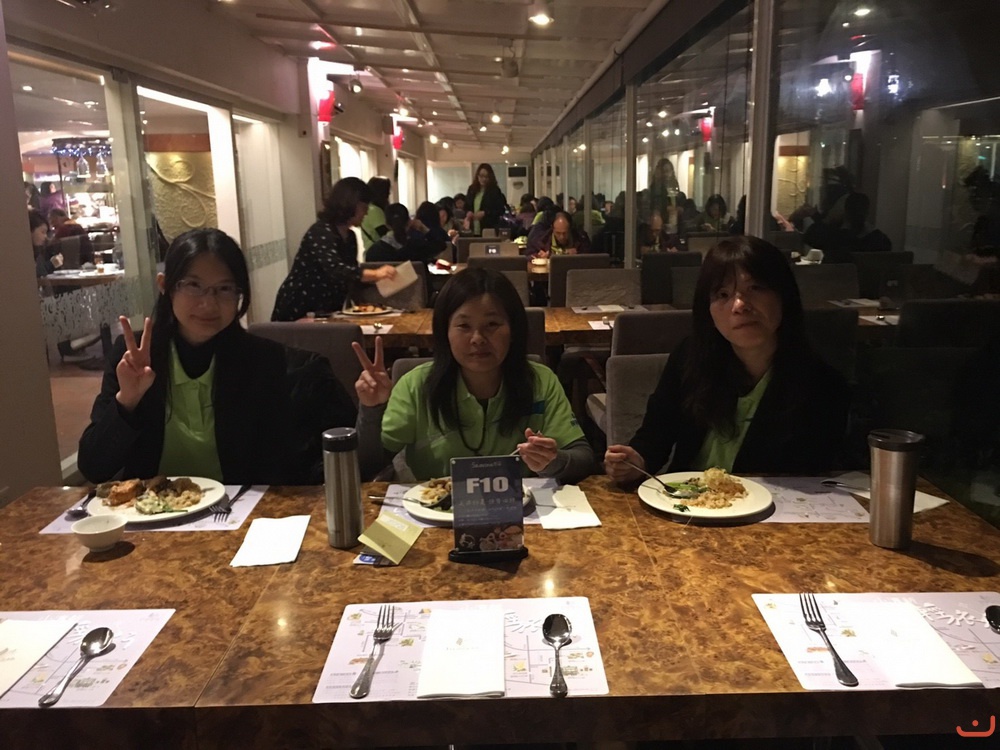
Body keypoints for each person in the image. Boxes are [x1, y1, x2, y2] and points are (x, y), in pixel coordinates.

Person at [605, 236, 850, 480]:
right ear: (707, 310)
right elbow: (655, 436)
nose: (739, 305)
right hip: (688, 498)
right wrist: (636, 461)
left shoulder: (823, 385)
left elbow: (812, 477)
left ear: (784, 295)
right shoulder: (690, 357)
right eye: (723, 294)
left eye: (755, 288)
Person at [78, 229, 298, 484]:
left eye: (224, 288)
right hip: (151, 506)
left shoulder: (263, 360)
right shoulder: (135, 356)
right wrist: (127, 401)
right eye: (193, 285)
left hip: (237, 506)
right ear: (165, 286)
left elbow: (280, 467)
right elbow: (93, 468)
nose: (209, 304)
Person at [353, 267, 594, 482]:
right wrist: (372, 409)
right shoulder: (416, 385)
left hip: (523, 512)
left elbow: (583, 457)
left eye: (492, 325)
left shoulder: (540, 380)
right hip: (434, 511)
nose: (478, 339)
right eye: (464, 326)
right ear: (445, 332)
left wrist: (553, 461)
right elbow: (368, 467)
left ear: (514, 329)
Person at [271, 177, 396, 320]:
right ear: (351, 204)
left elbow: (350, 275)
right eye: (364, 208)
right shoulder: (321, 231)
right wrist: (376, 274)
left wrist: (379, 283)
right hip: (301, 306)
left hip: (327, 309)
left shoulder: (350, 237)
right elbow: (335, 269)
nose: (366, 213)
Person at [367, 202, 447, 264]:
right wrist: (424, 229)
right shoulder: (417, 246)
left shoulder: (373, 252)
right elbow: (441, 245)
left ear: (387, 224)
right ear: (409, 222)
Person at [464, 163, 507, 235]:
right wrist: (468, 212)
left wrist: (485, 213)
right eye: (481, 176)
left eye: (486, 177)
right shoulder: (472, 189)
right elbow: (467, 206)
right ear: (477, 176)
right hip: (472, 228)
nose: (483, 179)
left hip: (488, 227)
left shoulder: (495, 191)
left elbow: (500, 210)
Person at [526, 211, 592, 257]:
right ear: (552, 229)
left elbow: (589, 259)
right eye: (558, 233)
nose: (561, 237)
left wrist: (578, 255)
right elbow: (529, 256)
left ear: (570, 229)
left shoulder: (581, 239)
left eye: (565, 233)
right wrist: (539, 256)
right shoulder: (542, 240)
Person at [359, 176, 391, 251]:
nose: (389, 194)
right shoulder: (375, 211)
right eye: (387, 191)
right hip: (378, 253)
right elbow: (385, 234)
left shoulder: (369, 208)